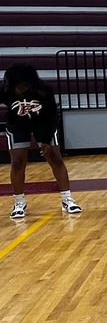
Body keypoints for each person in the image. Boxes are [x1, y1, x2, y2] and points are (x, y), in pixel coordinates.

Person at [3, 63, 81, 219]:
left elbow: (52, 117)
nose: (19, 89)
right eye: (17, 86)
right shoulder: (6, 90)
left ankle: (67, 199)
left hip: (44, 124)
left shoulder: (44, 90)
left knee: (55, 157)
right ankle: (19, 202)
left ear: (30, 83)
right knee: (17, 162)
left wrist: (45, 141)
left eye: (23, 86)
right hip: (17, 125)